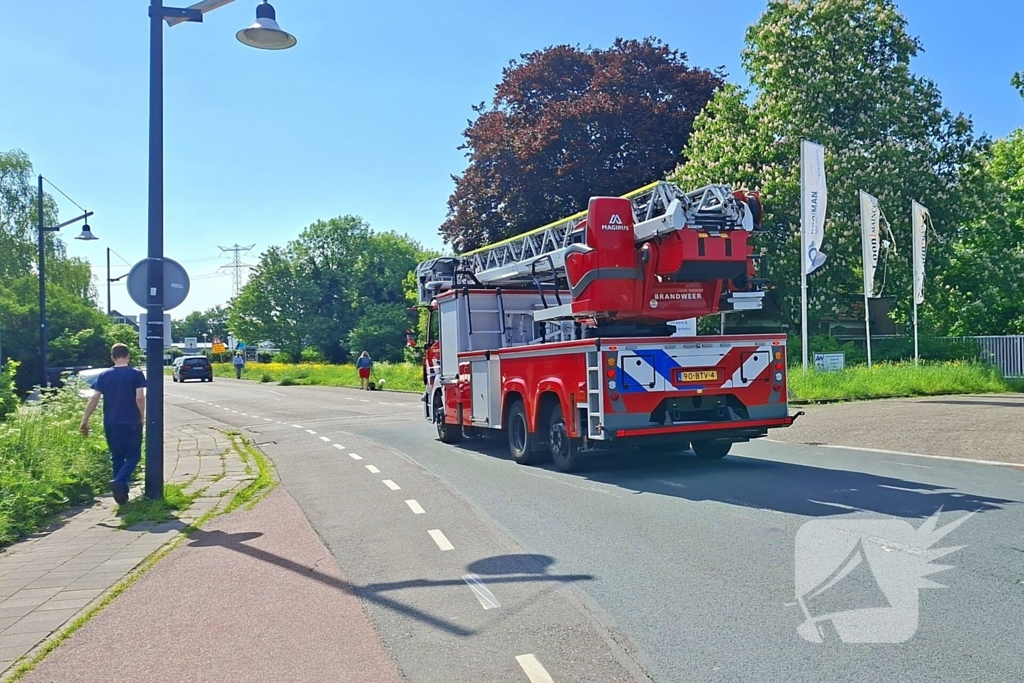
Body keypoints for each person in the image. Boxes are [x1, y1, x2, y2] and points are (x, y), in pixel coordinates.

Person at [80, 343, 146, 505]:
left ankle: (121, 496)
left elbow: (94, 397)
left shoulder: (104, 375)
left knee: (117, 456)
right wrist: (142, 416)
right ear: (128, 356)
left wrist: (85, 419)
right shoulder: (136, 373)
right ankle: (120, 480)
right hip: (131, 420)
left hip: (111, 421)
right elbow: (139, 397)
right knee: (133, 455)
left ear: (112, 357)